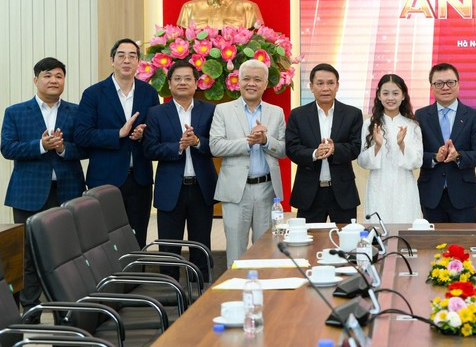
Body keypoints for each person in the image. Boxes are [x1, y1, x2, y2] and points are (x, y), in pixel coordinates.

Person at [1, 57, 86, 320]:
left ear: (64, 81)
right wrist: (40, 145)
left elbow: (85, 146)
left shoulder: (76, 111)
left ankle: (65, 311)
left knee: (65, 254)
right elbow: (8, 148)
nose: (53, 80)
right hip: (28, 195)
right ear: (36, 79)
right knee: (28, 256)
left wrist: (62, 148)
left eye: (59, 76)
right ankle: (30, 312)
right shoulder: (15, 111)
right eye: (48, 75)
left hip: (67, 193)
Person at [75, 38, 160, 248]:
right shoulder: (93, 93)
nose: (126, 60)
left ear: (139, 62)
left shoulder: (148, 93)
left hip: (140, 178)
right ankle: (110, 280)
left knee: (137, 233)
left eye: (132, 56)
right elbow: (82, 135)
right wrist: (117, 134)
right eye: (121, 55)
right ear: (112, 60)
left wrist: (143, 134)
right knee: (104, 237)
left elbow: (156, 133)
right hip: (105, 179)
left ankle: (136, 278)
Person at [143, 61, 217, 280]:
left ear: (196, 83)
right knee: (169, 248)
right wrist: (178, 146)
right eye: (177, 79)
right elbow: (149, 149)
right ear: (169, 83)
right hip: (170, 190)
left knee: (201, 246)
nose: (182, 83)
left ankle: (202, 292)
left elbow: (218, 144)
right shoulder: (156, 113)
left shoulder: (210, 111)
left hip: (201, 188)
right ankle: (170, 295)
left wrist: (196, 142)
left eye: (188, 79)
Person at [210, 59, 286, 268]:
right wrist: (247, 142)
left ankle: (266, 295)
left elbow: (283, 149)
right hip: (236, 190)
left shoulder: (276, 112)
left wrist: (265, 141)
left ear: (265, 84)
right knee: (236, 250)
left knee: (266, 249)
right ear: (238, 81)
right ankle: (236, 295)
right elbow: (215, 146)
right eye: (246, 79)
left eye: (257, 79)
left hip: (267, 190)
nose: (251, 83)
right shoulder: (223, 110)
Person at [286, 63, 362, 223]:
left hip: (342, 192)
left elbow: (355, 148)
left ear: (337, 85)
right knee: (308, 243)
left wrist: (335, 149)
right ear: (311, 86)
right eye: (320, 83)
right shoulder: (298, 115)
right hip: (309, 193)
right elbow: (292, 148)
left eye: (330, 83)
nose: (325, 88)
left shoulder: (352, 114)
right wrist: (314, 153)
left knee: (345, 242)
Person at [416, 63, 476, 223]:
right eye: (439, 83)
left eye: (450, 82)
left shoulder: (473, 116)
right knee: (431, 246)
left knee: (465, 244)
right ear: (432, 87)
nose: (445, 87)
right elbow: (415, 155)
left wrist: (458, 156)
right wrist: (434, 158)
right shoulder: (420, 116)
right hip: (431, 195)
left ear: (458, 84)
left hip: (464, 195)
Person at [357, 74, 422, 223]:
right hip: (378, 185)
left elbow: (418, 161)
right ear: (379, 96)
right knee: (378, 232)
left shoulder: (412, 125)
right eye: (385, 93)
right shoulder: (369, 124)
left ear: (403, 95)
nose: (390, 98)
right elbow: (362, 161)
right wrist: (377, 146)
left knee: (405, 231)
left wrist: (402, 145)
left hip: (405, 186)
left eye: (395, 93)